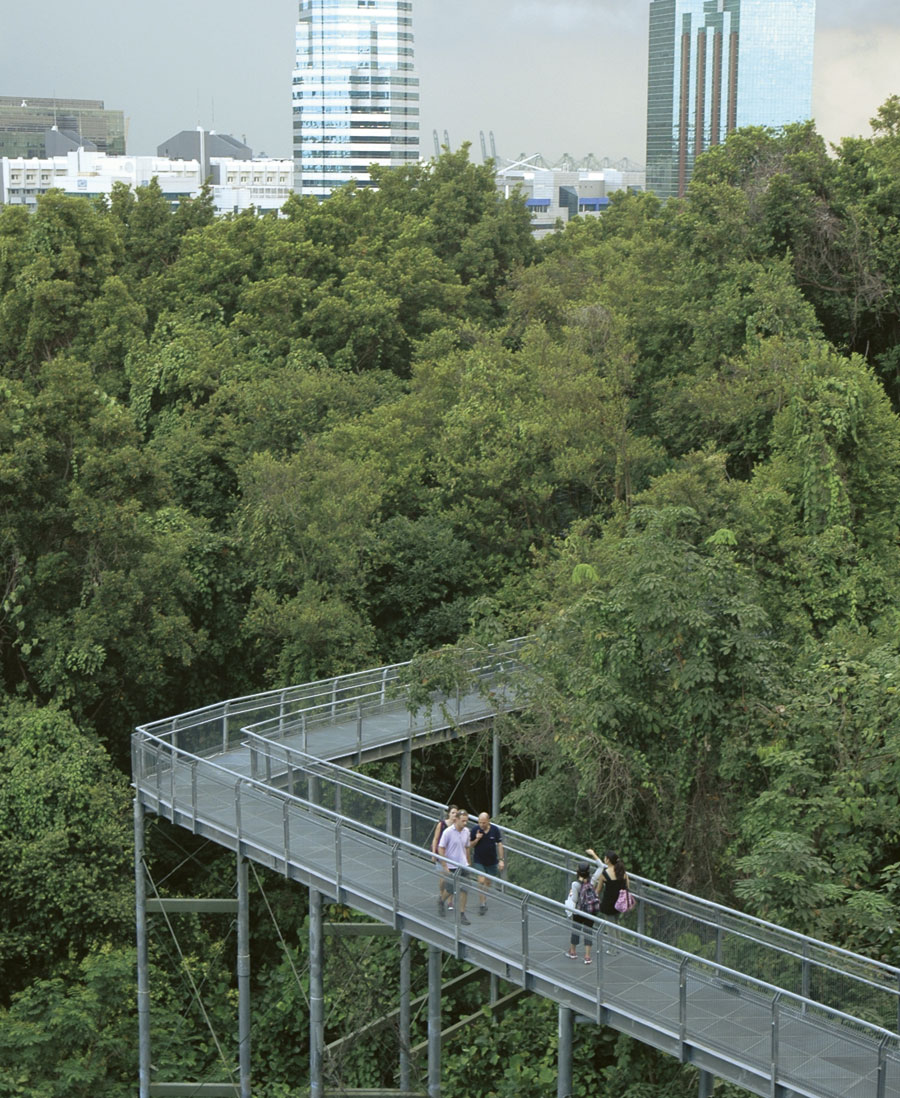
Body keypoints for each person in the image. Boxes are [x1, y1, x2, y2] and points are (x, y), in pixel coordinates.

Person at [438, 808, 471, 925]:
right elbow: (441, 848)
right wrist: (444, 865)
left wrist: (468, 862)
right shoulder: (448, 832)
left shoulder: (466, 831)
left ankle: (462, 914)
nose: (465, 823)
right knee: (450, 889)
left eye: (466, 821)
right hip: (451, 865)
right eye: (463, 821)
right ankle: (441, 901)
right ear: (456, 820)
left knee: (464, 889)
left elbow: (467, 847)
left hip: (463, 865)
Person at [469, 811, 504, 915]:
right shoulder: (475, 829)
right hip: (479, 860)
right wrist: (477, 839)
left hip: (491, 861)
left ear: (488, 821)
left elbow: (499, 844)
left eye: (483, 823)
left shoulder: (495, 830)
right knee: (481, 880)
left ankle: (484, 899)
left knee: (487, 882)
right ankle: (482, 903)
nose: (481, 825)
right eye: (480, 822)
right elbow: (470, 845)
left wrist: (501, 860)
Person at [564, 862, 597, 964]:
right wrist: (593, 855)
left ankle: (573, 952)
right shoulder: (592, 880)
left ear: (578, 872)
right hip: (590, 910)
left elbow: (574, 899)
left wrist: (571, 893)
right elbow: (600, 867)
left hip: (578, 911)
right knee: (588, 931)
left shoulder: (575, 884)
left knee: (576, 929)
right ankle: (587, 956)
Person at [586, 847, 630, 921]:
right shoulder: (622, 872)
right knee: (616, 923)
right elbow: (627, 886)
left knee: (610, 925)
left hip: (608, 905)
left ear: (608, 860)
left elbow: (598, 890)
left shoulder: (604, 874)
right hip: (619, 903)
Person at [432, 805, 457, 907]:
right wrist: (434, 853)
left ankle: (450, 901)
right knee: (443, 879)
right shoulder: (442, 824)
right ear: (449, 814)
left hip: (452, 856)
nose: (454, 815)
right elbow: (435, 838)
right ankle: (442, 895)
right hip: (441, 855)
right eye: (453, 813)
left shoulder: (457, 826)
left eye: (456, 813)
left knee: (451, 879)